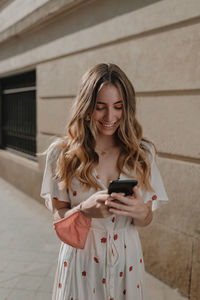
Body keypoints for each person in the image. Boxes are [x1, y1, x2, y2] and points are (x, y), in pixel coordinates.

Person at [40, 63, 168, 300]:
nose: (110, 117)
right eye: (100, 107)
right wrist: (83, 211)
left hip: (127, 263)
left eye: (118, 107)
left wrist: (141, 211)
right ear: (87, 107)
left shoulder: (143, 154)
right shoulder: (61, 154)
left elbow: (146, 219)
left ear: (127, 108)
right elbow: (58, 216)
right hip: (80, 262)